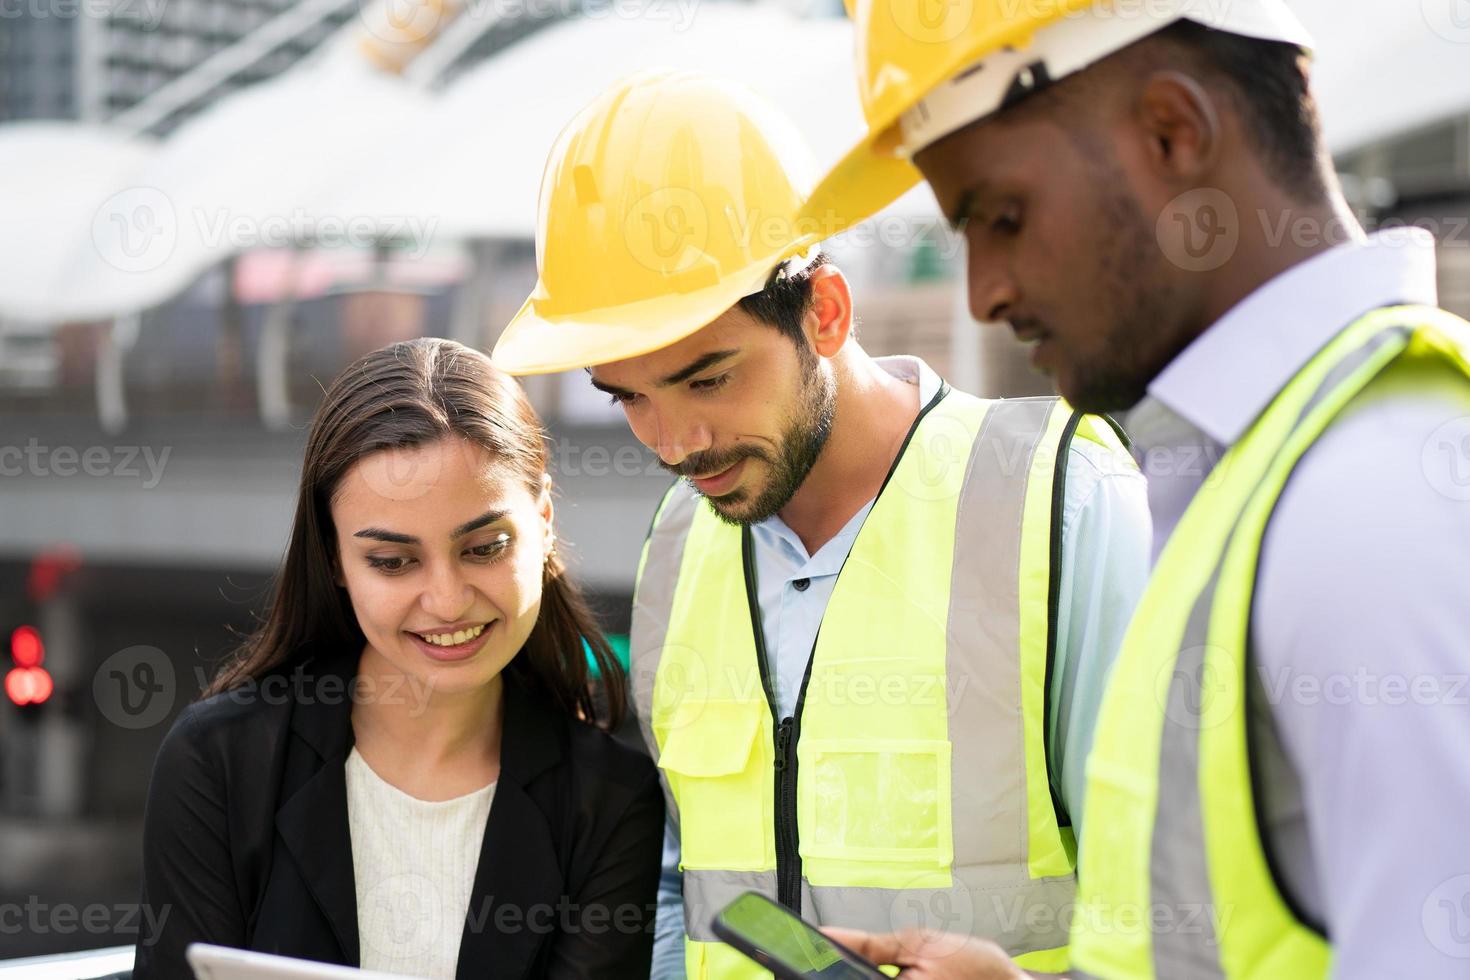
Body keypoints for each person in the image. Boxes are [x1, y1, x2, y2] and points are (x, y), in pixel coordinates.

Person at [806, 0, 1470, 976]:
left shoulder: (1371, 500)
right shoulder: (1262, 473)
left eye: (1003, 215)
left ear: (1173, 131)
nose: (985, 287)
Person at [490, 70, 1151, 978]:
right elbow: (688, 888)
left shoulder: (1062, 500)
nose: (677, 442)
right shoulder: (678, 548)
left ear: (826, 312)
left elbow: (1180, 909)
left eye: (709, 378)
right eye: (628, 399)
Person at [133, 339, 664, 980]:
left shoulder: (609, 802)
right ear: (334, 558)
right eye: (392, 562)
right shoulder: (221, 763)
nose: (445, 600)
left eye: (484, 547)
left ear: (544, 519)